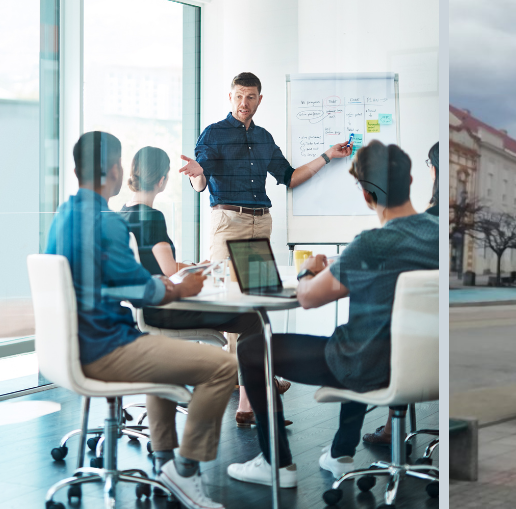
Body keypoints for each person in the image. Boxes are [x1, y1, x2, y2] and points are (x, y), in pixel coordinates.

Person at [227, 141, 437, 488]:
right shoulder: (436, 236)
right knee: (358, 334)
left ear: (366, 194)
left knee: (251, 350)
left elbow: (308, 299)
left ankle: (276, 463)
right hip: (423, 366)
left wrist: (308, 270)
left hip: (367, 368)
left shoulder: (370, 244)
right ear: (411, 180)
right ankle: (341, 453)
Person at [47, 132, 233, 509]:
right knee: (224, 367)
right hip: (105, 347)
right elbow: (142, 292)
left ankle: (164, 463)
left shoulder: (63, 215)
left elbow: (111, 283)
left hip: (70, 347)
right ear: (115, 171)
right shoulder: (106, 223)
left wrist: (154, 283)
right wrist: (180, 288)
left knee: (162, 355)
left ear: (75, 170)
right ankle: (185, 469)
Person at [177, 72, 350, 427]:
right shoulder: (213, 133)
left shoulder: (263, 137)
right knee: (235, 308)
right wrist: (195, 174)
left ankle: (256, 379)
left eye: (251, 97)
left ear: (259, 99)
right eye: (239, 96)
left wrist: (327, 156)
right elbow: (200, 182)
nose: (244, 103)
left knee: (257, 304)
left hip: (261, 222)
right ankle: (246, 398)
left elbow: (289, 177)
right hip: (229, 222)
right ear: (230, 97)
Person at [120, 147, 292, 423]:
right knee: (253, 319)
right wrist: (200, 269)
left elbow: (153, 268)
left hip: (142, 312)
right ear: (162, 181)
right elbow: (167, 270)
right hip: (167, 311)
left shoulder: (122, 215)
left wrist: (190, 265)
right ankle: (251, 405)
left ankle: (250, 404)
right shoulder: (151, 217)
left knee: (248, 317)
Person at [363, 142, 438, 447]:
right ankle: (390, 428)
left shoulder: (420, 225)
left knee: (376, 335)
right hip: (433, 357)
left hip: (411, 352)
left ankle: (379, 435)